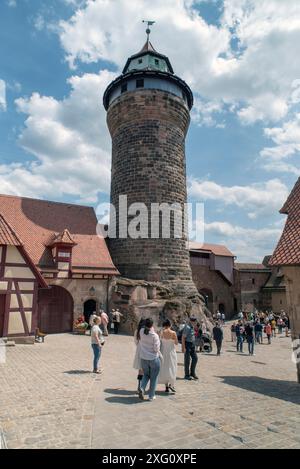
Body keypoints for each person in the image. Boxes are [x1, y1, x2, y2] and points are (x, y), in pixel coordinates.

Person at [138, 318, 161, 401]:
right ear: (152, 325)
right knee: (154, 378)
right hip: (153, 358)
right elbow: (156, 349)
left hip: (143, 358)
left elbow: (145, 331)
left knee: (146, 375)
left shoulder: (141, 331)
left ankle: (142, 388)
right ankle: (151, 396)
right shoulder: (155, 336)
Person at [158, 319, 178, 393]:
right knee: (172, 367)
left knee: (164, 368)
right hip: (171, 352)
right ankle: (171, 384)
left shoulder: (162, 332)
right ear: (170, 325)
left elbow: (159, 342)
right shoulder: (173, 333)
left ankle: (166, 386)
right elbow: (176, 343)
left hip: (163, 352)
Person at [182, 316, 198, 380]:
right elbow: (183, 337)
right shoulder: (187, 327)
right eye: (194, 321)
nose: (195, 322)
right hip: (187, 345)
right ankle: (186, 375)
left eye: (195, 321)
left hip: (192, 345)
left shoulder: (192, 327)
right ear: (191, 321)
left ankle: (192, 373)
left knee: (195, 358)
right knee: (187, 360)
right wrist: (183, 347)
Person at [133, 318, 145, 393]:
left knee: (140, 370)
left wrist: (139, 345)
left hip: (139, 350)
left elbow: (135, 341)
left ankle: (139, 386)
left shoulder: (137, 331)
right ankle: (142, 387)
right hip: (146, 350)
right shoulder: (146, 331)